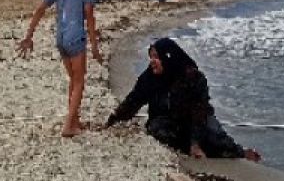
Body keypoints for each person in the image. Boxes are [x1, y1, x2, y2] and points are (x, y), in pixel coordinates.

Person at [106, 37, 260, 160]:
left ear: (168, 58)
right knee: (156, 129)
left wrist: (195, 143)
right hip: (167, 121)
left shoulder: (193, 78)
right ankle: (191, 150)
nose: (152, 61)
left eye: (156, 57)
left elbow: (199, 111)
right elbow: (133, 101)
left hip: (196, 120)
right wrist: (112, 120)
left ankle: (239, 152)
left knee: (214, 134)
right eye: (151, 57)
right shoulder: (149, 78)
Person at [18, 0, 102, 137]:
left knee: (73, 79)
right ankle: (68, 126)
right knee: (79, 81)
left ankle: (74, 119)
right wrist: (95, 47)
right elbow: (90, 18)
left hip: (61, 38)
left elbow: (40, 9)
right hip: (75, 36)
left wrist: (29, 35)